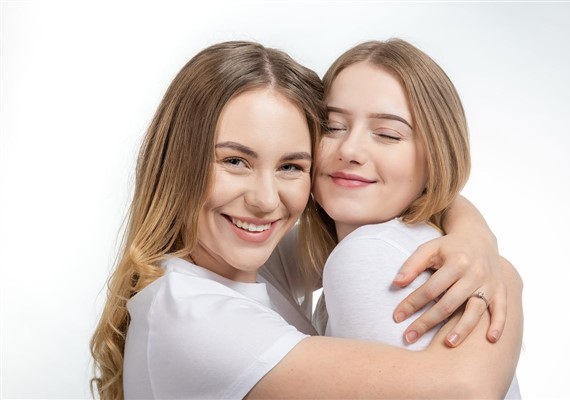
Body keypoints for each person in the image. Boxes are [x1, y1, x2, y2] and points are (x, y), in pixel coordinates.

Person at [90, 40, 523, 399]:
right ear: (175, 161)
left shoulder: (240, 263)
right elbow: (467, 390)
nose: (265, 201)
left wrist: (473, 235)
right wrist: (504, 273)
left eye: (290, 166)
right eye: (235, 161)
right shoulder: (194, 317)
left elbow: (380, 211)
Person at [310, 38, 521, 397]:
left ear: (436, 156)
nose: (350, 150)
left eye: (387, 134)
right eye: (332, 127)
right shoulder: (421, 242)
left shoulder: (367, 256)